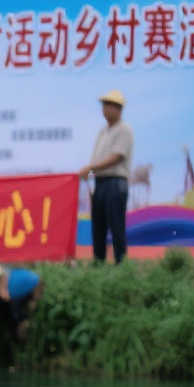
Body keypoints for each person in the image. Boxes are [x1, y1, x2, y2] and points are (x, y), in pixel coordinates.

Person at [79, 90, 133, 264]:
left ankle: (121, 265)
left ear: (118, 109)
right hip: (100, 183)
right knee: (98, 227)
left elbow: (116, 158)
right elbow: (97, 161)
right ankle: (98, 263)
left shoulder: (124, 130)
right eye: (103, 105)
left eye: (108, 105)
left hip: (116, 183)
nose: (104, 109)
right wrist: (91, 172)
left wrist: (91, 168)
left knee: (116, 226)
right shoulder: (103, 132)